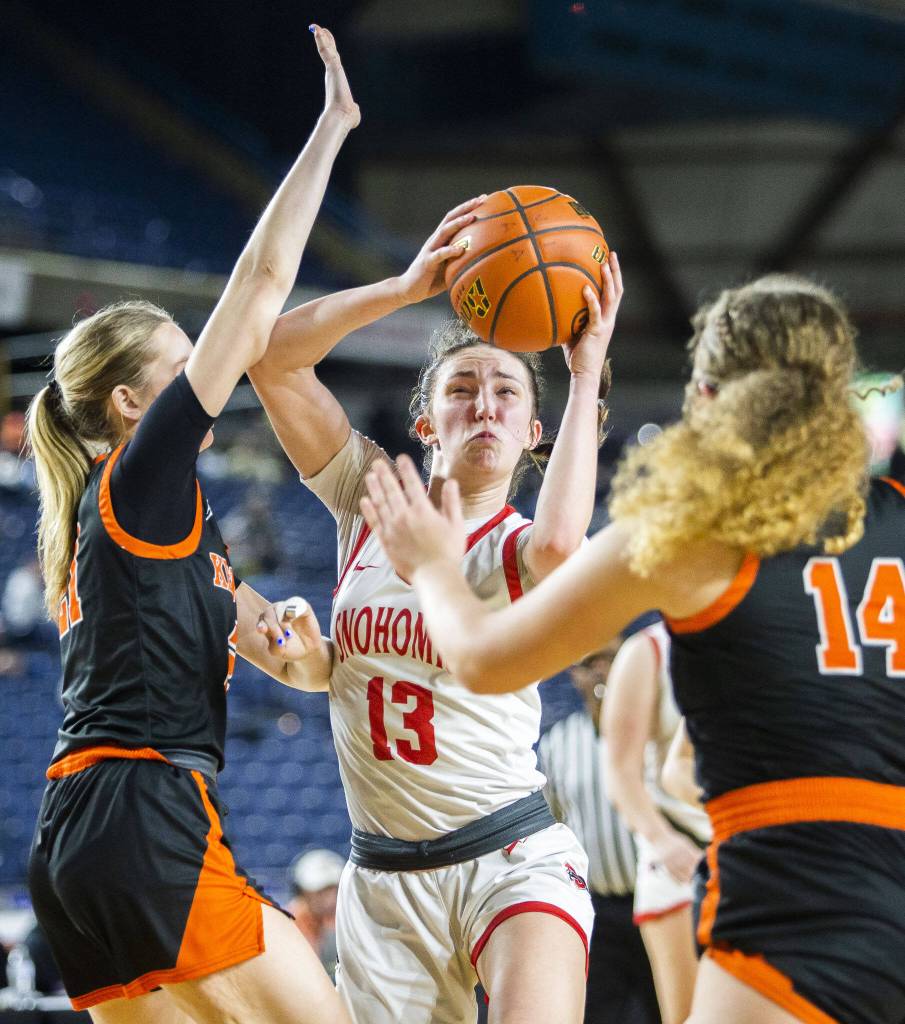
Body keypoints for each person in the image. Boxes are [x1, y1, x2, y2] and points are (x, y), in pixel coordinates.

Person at [360, 273, 905, 1024]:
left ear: (707, 400)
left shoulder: (690, 537)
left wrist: (430, 566)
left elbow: (483, 660)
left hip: (792, 911)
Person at [24, 26, 358, 1024]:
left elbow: (280, 649)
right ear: (132, 405)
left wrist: (316, 652)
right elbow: (256, 295)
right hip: (147, 816)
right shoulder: (137, 480)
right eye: (180, 365)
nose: (202, 373)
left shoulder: (159, 524)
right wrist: (330, 130)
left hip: (80, 841)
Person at [249, 220, 623, 1022]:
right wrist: (403, 288)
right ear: (426, 424)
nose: (482, 404)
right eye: (460, 390)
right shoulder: (368, 498)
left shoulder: (520, 545)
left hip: (509, 853)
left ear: (533, 434)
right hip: (383, 879)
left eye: (505, 393)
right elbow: (270, 358)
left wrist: (584, 372)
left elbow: (563, 544)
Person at [539, 643, 660, 1024]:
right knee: (599, 1014)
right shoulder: (558, 743)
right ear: (573, 675)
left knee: (671, 1008)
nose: (601, 672)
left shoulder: (658, 731)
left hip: (655, 897)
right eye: (588, 663)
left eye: (609, 659)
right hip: (597, 909)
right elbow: (553, 825)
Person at [604, 623, 710, 1024]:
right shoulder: (648, 650)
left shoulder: (749, 628)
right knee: (688, 1015)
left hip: (742, 842)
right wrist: (662, 841)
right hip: (676, 845)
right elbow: (619, 773)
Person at [287, 849, 345, 981]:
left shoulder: (341, 919)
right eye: (321, 892)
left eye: (334, 890)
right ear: (302, 893)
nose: (330, 899)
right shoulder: (289, 923)